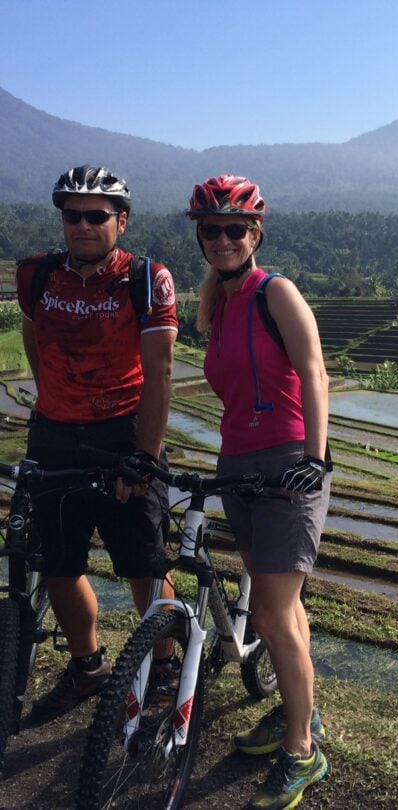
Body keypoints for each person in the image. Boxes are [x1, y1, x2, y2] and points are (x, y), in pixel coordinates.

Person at [187, 174, 331, 809]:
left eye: (234, 229)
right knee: (281, 611)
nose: (223, 239)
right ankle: (301, 713)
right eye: (211, 229)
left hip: (285, 465)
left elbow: (313, 370)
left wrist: (315, 459)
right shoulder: (216, 301)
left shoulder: (277, 292)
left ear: (256, 234)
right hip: (236, 463)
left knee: (272, 614)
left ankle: (302, 754)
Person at [15, 165, 178, 723]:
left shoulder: (145, 279)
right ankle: (88, 667)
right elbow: (33, 339)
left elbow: (160, 374)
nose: (82, 225)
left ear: (121, 221)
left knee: (143, 563)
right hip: (56, 434)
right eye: (72, 215)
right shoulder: (35, 275)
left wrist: (145, 456)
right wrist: (52, 405)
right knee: (58, 561)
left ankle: (163, 663)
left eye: (96, 215)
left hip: (123, 433)